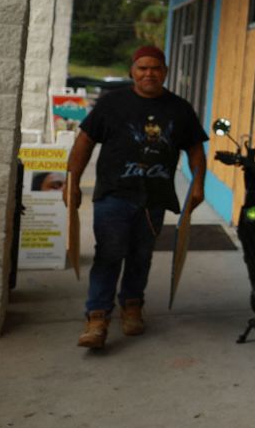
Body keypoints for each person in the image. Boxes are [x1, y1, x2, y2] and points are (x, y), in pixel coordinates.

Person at [65, 45, 208, 349]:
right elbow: (84, 142)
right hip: (114, 193)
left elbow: (195, 148)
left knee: (141, 255)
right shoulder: (111, 104)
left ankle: (132, 307)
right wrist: (72, 181)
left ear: (165, 72)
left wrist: (198, 184)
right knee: (109, 253)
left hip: (154, 198)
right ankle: (97, 317)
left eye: (155, 68)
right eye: (142, 68)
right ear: (132, 71)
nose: (149, 73)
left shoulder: (179, 108)